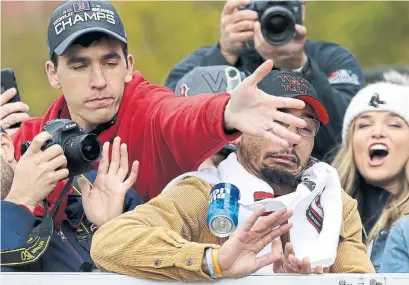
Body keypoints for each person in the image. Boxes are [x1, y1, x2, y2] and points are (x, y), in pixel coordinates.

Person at [9, 1, 308, 226]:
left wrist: (225, 110)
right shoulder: (28, 139)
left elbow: (181, 113)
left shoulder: (150, 112)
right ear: (53, 73)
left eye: (110, 63)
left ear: (128, 65)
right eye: (79, 66)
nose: (98, 81)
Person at [90, 72, 374, 280]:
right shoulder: (203, 192)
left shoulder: (333, 200)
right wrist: (212, 262)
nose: (290, 139)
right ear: (238, 134)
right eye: (278, 122)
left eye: (304, 128)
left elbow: (361, 277)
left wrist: (312, 281)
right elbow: (109, 242)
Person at [165, 0, 365, 161]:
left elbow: (349, 137)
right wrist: (223, 55)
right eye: (263, 6)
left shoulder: (333, 59)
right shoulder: (199, 64)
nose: (274, 16)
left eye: (285, 5)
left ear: (302, 6)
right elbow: (170, 134)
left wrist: (300, 66)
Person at [1, 126, 143, 271]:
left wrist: (111, 231)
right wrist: (21, 201)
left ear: (5, 147)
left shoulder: (95, 188)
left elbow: (159, 266)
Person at [332, 70, 409, 272]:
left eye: (394, 124)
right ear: (350, 143)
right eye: (364, 125)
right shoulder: (322, 212)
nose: (377, 132)